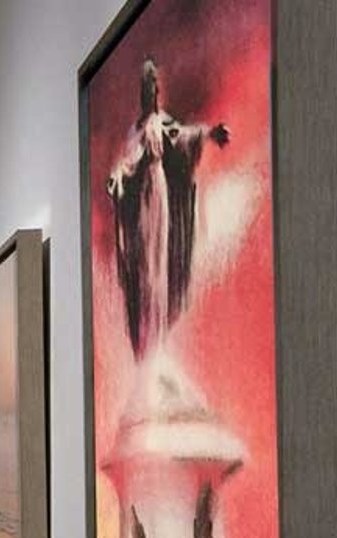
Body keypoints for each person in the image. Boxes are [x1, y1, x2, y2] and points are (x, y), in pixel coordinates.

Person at [105, 59, 230, 356]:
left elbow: (183, 135)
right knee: (145, 268)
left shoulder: (162, 123)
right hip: (144, 202)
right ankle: (148, 343)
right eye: (145, 86)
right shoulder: (136, 128)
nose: (149, 92)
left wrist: (210, 133)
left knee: (160, 264)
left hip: (159, 194)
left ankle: (159, 343)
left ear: (157, 89)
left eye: (153, 85)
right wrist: (118, 178)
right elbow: (128, 160)